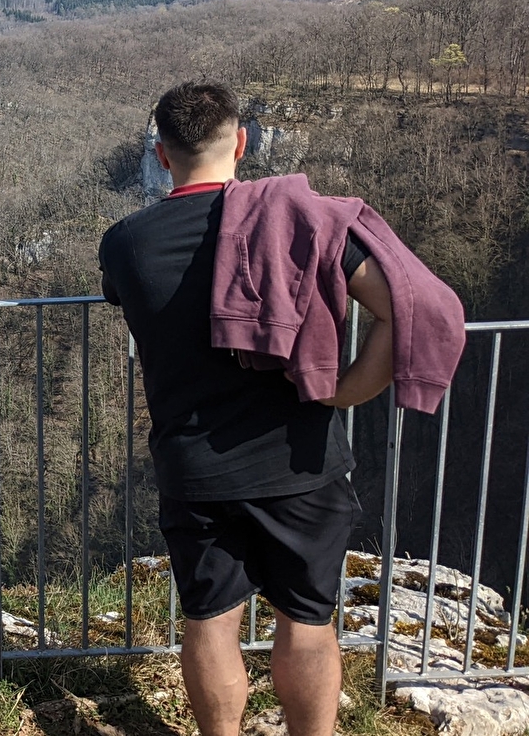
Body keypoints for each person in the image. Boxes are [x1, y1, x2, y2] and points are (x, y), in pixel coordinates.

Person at [98, 82, 406, 736]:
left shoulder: (125, 244)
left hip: (195, 467)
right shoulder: (297, 226)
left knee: (210, 620)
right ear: (240, 143)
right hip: (302, 461)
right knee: (308, 620)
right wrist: (345, 390)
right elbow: (401, 309)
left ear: (161, 155)